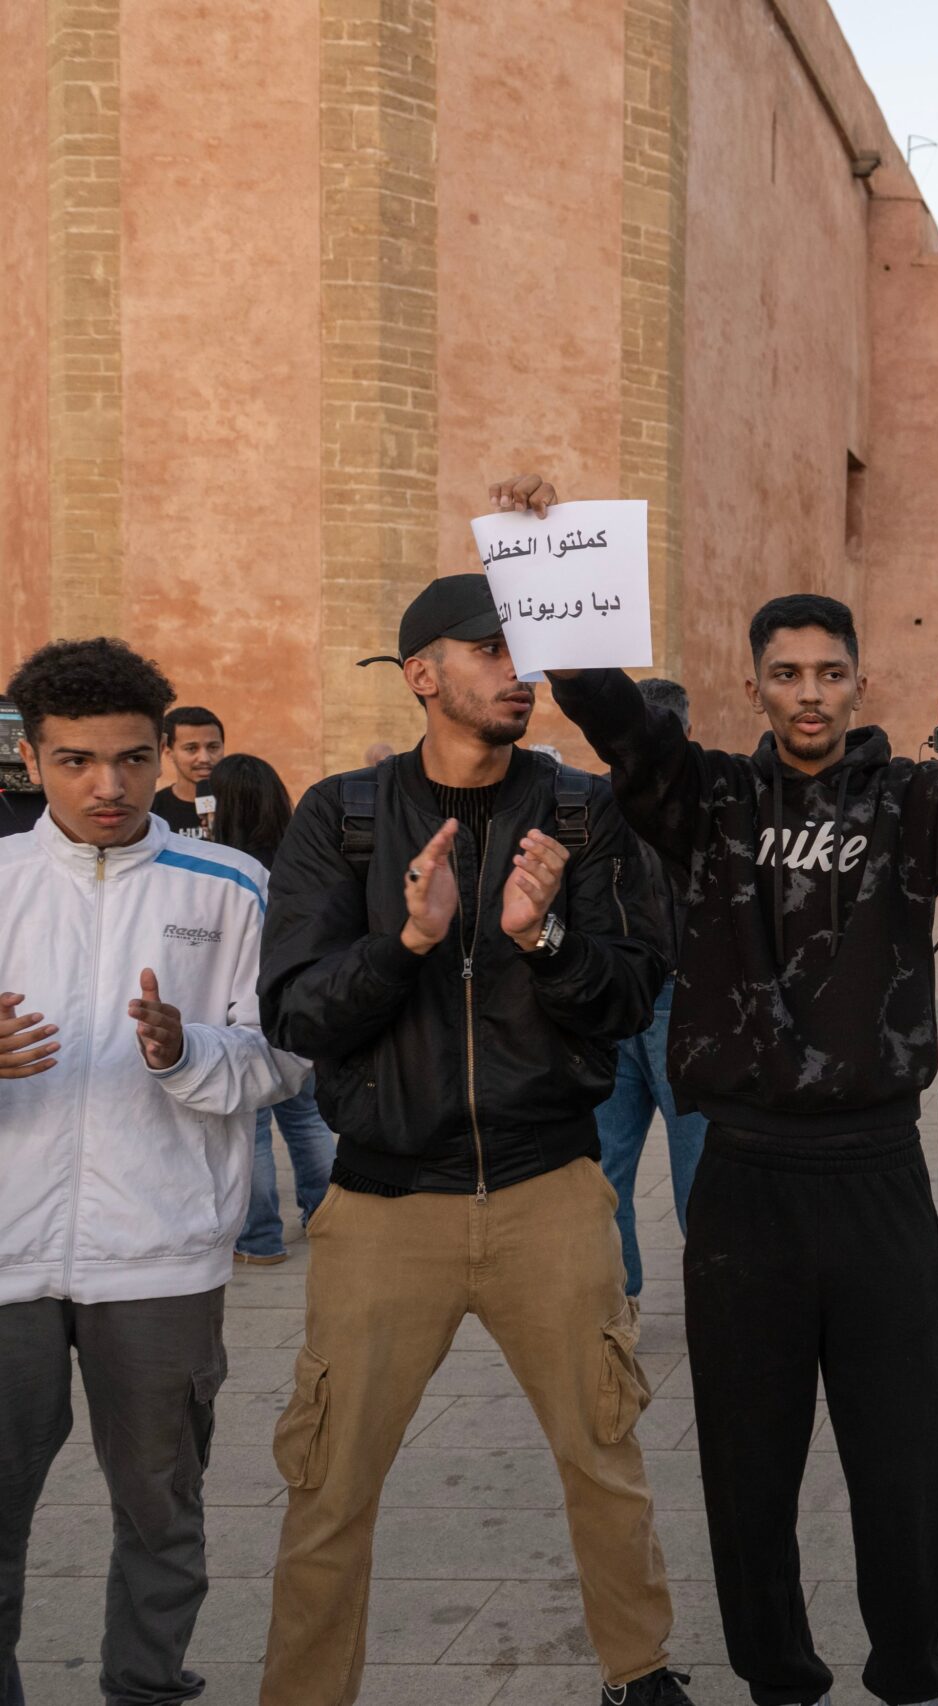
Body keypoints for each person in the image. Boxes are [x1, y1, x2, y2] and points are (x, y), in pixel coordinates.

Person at [503, 460, 938, 1706]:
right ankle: (777, 1673)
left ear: (860, 682)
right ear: (756, 684)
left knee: (902, 1453)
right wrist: (550, 564)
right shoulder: (705, 798)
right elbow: (618, 722)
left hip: (877, 1176)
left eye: (829, 672)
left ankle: (911, 1666)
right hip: (742, 1180)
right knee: (746, 1461)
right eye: (786, 673)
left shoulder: (913, 805)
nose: (809, 693)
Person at [257, 572, 686, 1706]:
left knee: (605, 1458)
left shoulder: (583, 811)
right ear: (421, 673)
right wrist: (407, 940)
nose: (518, 670)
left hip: (551, 1192)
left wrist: (544, 940)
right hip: (383, 1208)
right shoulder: (341, 815)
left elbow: (631, 996)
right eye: (490, 648)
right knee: (329, 1481)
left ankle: (640, 1672)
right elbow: (295, 1012)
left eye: (524, 649)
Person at [0, 638, 305, 1706]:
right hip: (4, 1264)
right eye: (77, 760)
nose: (109, 786)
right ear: (32, 758)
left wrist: (187, 1052)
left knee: (162, 1508)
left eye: (133, 759)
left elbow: (287, 1054)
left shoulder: (232, 887)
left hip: (162, 1255)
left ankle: (145, 1686)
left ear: (164, 755)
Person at [591, 677, 711, 1297]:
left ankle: (621, 1300)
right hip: (663, 998)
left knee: (608, 1170)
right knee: (697, 1172)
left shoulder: (594, 800)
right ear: (685, 732)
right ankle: (709, 1303)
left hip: (623, 997)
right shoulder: (704, 800)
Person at [205, 754, 339, 1267]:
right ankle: (329, 1221)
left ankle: (260, 1240)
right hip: (296, 1004)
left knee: (254, 1127)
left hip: (242, 1008)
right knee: (307, 1119)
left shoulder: (223, 867)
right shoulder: (297, 854)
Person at [151, 707, 224, 840]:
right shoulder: (152, 811)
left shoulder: (244, 805)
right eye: (191, 748)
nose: (204, 758)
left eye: (213, 747)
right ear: (169, 753)